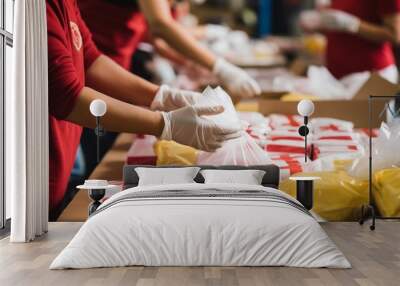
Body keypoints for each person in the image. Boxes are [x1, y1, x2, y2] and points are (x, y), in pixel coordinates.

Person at [47, 0, 240, 218]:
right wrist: (165, 124)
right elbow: (66, 96)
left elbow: (90, 58)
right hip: (43, 163)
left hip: (65, 144)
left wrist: (163, 97)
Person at [78, 0, 261, 99]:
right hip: (92, 62)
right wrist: (221, 68)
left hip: (112, 61)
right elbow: (160, 25)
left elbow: (156, 37)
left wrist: (187, 62)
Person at [300, 0, 400, 83]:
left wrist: (354, 24)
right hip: (337, 76)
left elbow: (395, 35)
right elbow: (341, 29)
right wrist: (318, 23)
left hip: (371, 76)